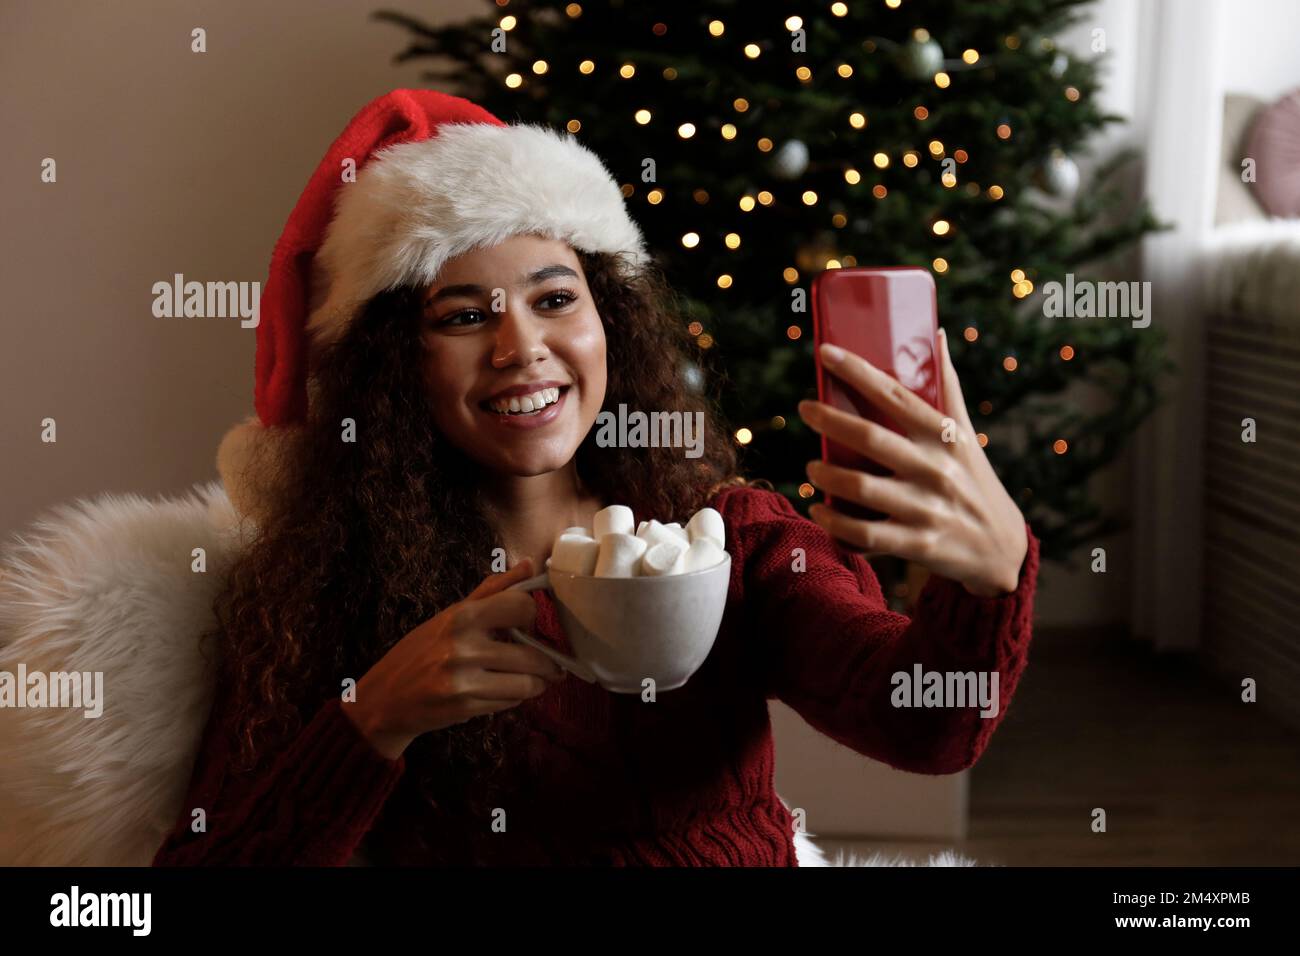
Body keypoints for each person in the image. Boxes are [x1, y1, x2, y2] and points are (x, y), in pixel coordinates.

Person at [152, 89, 1038, 867]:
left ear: (607, 315)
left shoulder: (735, 537)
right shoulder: (328, 590)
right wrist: (374, 718)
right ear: (393, 368)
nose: (520, 349)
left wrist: (991, 576)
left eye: (554, 298)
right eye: (464, 316)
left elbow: (928, 727)